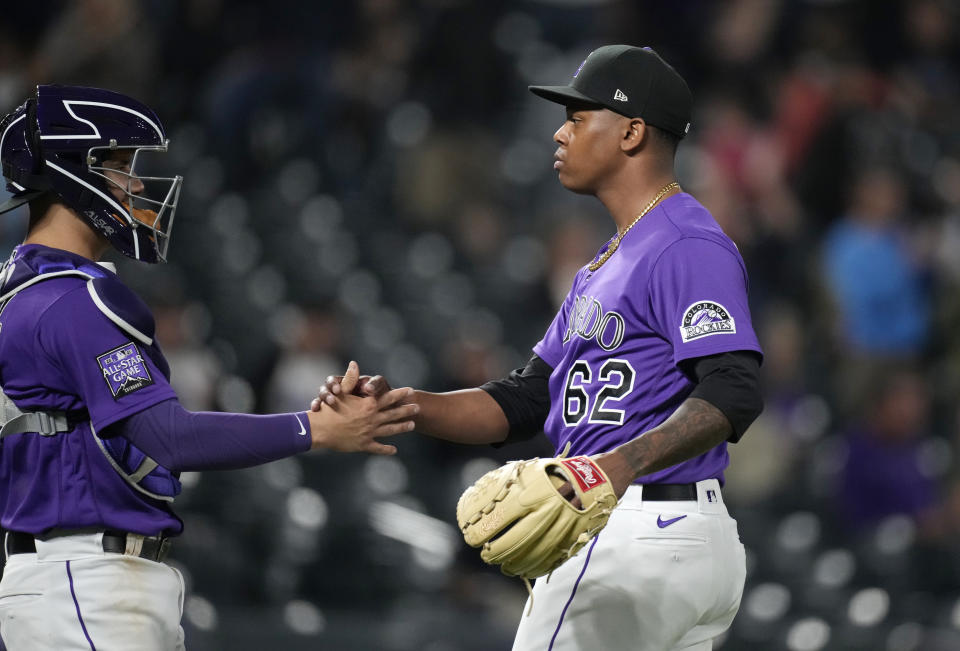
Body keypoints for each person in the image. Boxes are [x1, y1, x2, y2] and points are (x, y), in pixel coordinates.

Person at [319, 46, 764, 650]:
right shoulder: (609, 261)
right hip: (662, 539)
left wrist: (607, 470)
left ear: (632, 132)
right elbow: (527, 397)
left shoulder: (683, 241)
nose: (560, 132)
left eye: (579, 118)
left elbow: (733, 388)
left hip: (635, 531)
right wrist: (403, 405)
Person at [0, 84, 418, 650]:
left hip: (56, 578)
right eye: (121, 165)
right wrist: (315, 428)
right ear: (73, 170)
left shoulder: (22, 292)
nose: (138, 184)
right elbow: (168, 437)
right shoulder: (76, 300)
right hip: (87, 582)